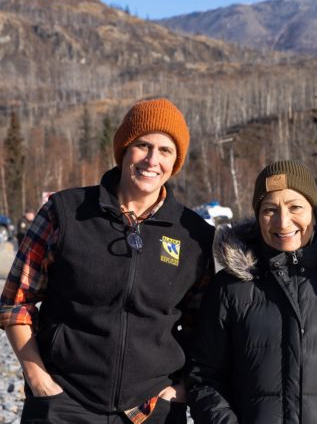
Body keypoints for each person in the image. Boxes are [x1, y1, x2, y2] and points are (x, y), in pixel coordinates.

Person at [0, 98, 214, 423]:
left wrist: (179, 389)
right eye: (142, 145)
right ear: (124, 149)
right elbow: (17, 303)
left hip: (151, 410)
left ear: (176, 161)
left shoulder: (193, 234)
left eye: (165, 150)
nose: (152, 159)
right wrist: (38, 380)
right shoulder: (65, 213)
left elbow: (205, 327)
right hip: (64, 403)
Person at [187, 160, 317, 423]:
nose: (283, 222)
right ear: (258, 215)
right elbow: (204, 376)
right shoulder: (230, 287)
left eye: (295, 207)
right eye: (270, 209)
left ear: (314, 213)